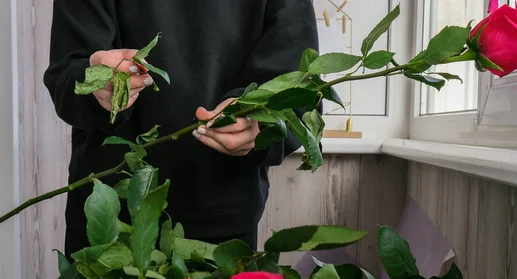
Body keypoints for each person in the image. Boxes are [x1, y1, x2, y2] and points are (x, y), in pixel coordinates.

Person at [44, 1, 319, 256]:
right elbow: (65, 74)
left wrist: (258, 122)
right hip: (106, 220)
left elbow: (301, 88)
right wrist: (95, 83)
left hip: (222, 225)